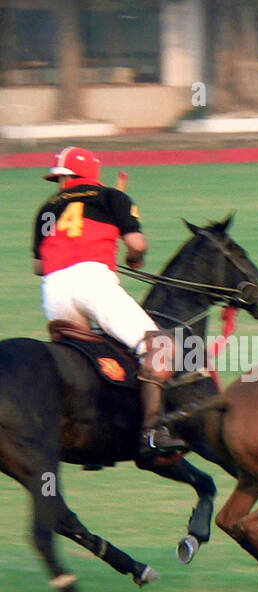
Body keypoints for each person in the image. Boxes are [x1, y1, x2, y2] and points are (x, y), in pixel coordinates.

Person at [32, 146, 184, 458]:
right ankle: (152, 431)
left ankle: (90, 428)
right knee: (159, 345)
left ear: (70, 178)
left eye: (63, 177)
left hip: (54, 291)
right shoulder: (113, 197)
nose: (61, 183)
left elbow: (38, 266)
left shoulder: (47, 210)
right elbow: (137, 244)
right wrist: (133, 257)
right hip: (92, 282)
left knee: (85, 357)